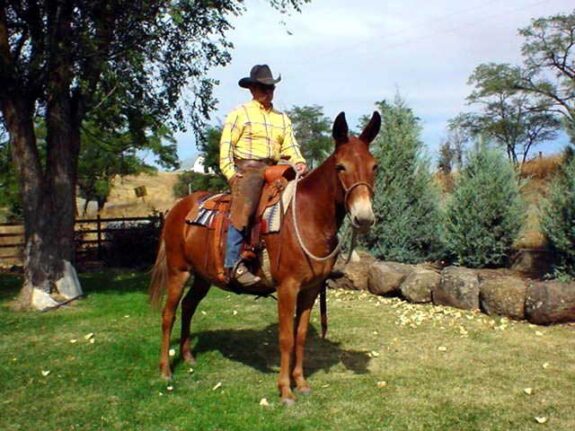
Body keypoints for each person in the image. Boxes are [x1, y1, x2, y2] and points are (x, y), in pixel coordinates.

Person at [220, 64, 307, 286]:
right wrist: (231, 174)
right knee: (246, 204)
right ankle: (233, 264)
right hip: (248, 169)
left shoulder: (282, 118)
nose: (268, 92)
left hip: (275, 168)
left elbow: (291, 145)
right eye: (263, 87)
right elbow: (226, 147)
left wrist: (299, 162)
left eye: (271, 88)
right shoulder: (240, 114)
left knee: (304, 198)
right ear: (252, 89)